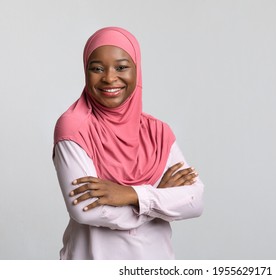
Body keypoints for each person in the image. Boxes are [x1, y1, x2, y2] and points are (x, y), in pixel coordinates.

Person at [52, 27, 204, 260]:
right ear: (86, 71)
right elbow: (86, 210)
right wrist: (158, 198)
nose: (109, 78)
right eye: (97, 69)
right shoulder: (73, 127)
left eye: (121, 67)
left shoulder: (158, 132)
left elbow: (194, 201)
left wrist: (131, 194)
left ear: (137, 70)